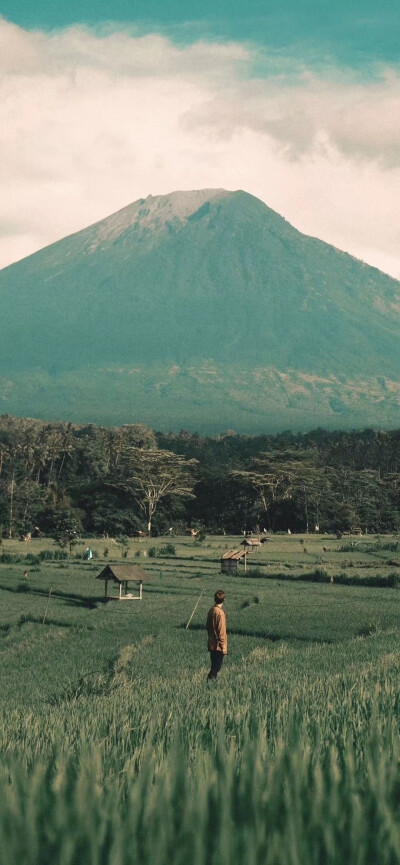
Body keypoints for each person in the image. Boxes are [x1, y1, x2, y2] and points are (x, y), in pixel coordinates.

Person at [206, 590, 227, 681]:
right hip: (218, 646)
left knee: (214, 666)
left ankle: (211, 683)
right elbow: (221, 631)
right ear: (223, 600)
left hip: (211, 643)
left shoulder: (211, 610)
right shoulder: (220, 613)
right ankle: (209, 683)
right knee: (216, 668)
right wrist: (223, 647)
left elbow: (207, 626)